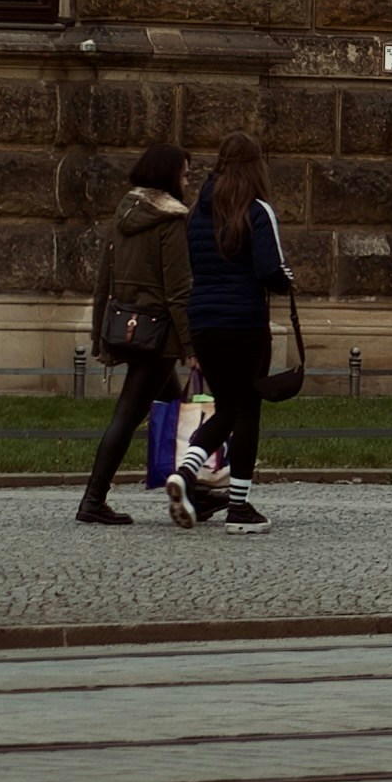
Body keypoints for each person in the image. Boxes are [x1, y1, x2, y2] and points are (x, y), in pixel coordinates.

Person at [78, 129, 195, 525]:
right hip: (158, 335)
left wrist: (99, 334)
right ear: (167, 176)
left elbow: (103, 280)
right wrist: (192, 347)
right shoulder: (171, 220)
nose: (187, 182)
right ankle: (93, 500)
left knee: (177, 405)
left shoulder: (125, 212)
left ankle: (191, 486)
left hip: (126, 327)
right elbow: (179, 290)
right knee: (128, 415)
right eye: (184, 174)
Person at [182, 136, 291, 534]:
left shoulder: (196, 211)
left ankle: (186, 470)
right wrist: (287, 279)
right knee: (247, 410)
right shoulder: (257, 211)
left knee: (226, 407)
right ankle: (240, 509)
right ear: (255, 166)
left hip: (204, 321)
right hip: (244, 321)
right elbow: (270, 271)